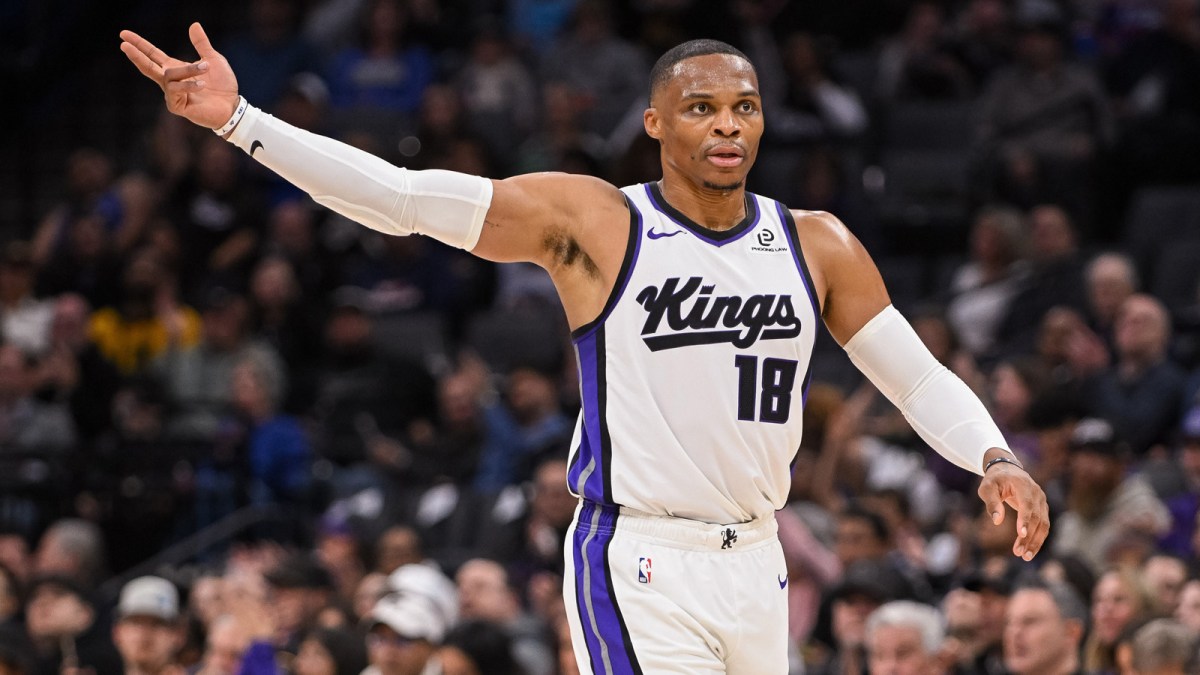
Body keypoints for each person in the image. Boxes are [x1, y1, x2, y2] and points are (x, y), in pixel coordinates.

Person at [120, 25, 1050, 673]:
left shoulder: (819, 242)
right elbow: (401, 198)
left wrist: (993, 455)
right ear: (654, 125)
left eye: (745, 106)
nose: (727, 124)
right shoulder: (599, 222)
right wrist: (244, 124)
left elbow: (915, 376)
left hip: (760, 557)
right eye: (700, 108)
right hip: (638, 551)